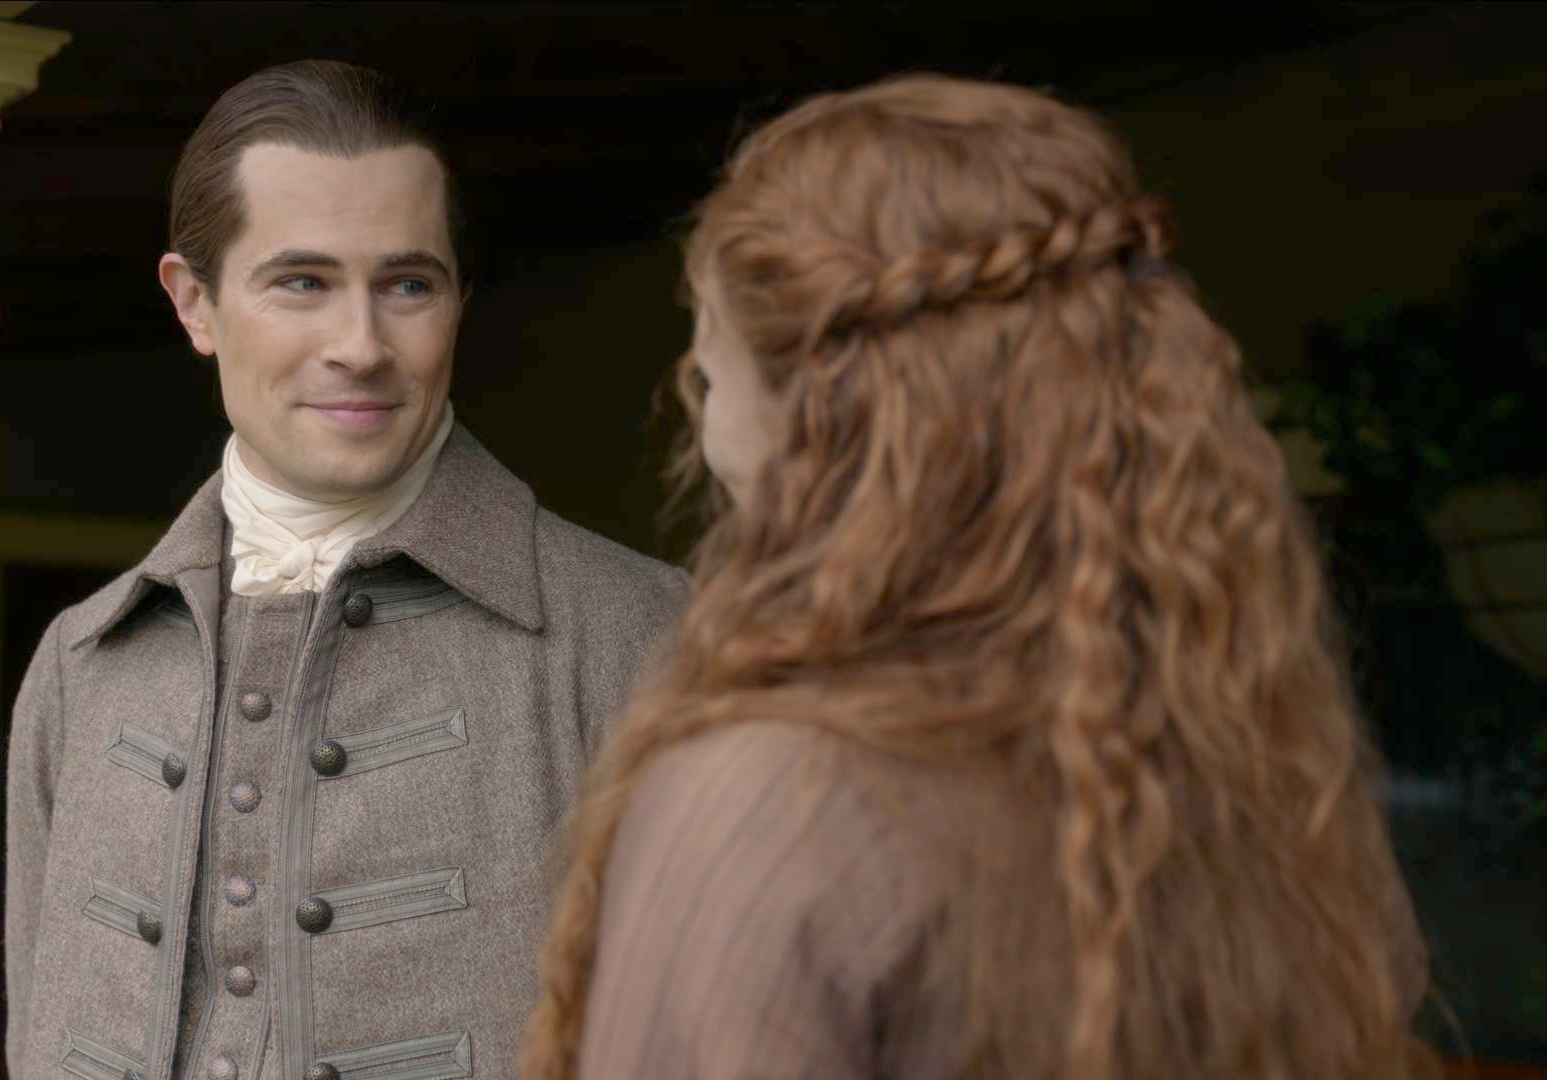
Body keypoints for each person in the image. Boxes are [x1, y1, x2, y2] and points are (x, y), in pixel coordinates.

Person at [521, 74, 1435, 1080]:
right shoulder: (1236, 758)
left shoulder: (771, 801)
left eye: (707, 369)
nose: (703, 425)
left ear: (821, 425)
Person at [4, 59, 686, 1080]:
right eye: (303, 283)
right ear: (194, 304)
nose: (360, 346)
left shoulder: (641, 639)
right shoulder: (78, 668)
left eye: (408, 285)